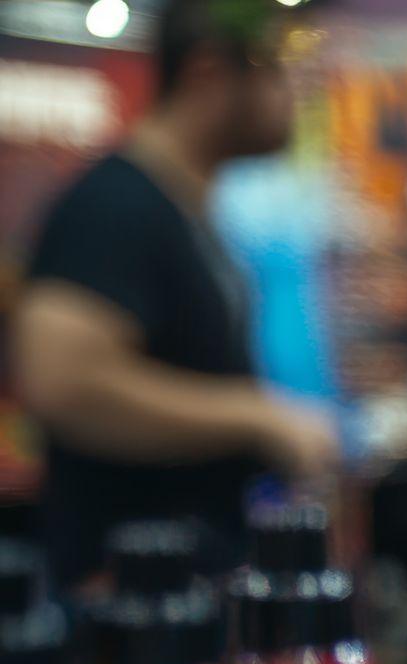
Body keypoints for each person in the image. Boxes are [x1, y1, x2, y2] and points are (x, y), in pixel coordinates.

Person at [11, 0, 340, 586]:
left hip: (185, 585)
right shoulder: (117, 204)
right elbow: (59, 379)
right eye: (278, 68)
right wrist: (256, 415)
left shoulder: (184, 208)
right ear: (208, 72)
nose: (298, 91)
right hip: (129, 604)